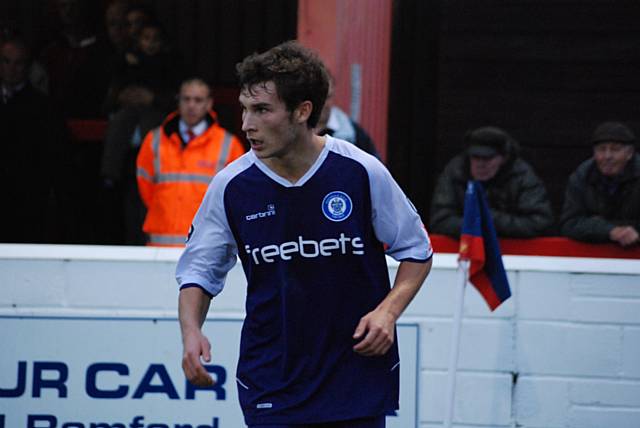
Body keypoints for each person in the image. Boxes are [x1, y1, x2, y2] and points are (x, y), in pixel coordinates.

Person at [176, 41, 433, 427]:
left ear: (302, 111)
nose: (247, 123)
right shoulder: (231, 186)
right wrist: (191, 331)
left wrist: (388, 312)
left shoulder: (361, 171)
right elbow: (199, 271)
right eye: (245, 109)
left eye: (262, 110)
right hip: (272, 379)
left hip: (354, 376)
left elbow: (417, 250)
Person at [136, 78, 245, 246]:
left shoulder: (228, 145)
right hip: (161, 242)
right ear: (178, 101)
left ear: (209, 104)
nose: (191, 105)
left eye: (198, 100)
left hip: (205, 245)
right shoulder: (155, 139)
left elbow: (235, 197)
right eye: (186, 99)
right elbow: (145, 188)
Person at [0, 37, 71, 243]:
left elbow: (55, 157)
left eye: (19, 62)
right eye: (6, 61)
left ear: (29, 66)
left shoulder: (43, 107)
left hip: (27, 199)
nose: (12, 68)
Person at [430, 126, 554, 238]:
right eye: (475, 157)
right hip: (465, 252)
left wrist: (491, 220)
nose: (480, 164)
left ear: (504, 158)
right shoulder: (455, 172)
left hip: (515, 255)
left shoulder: (522, 176)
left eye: (487, 158)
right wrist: (475, 223)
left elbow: (540, 223)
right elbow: (439, 220)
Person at [560, 121, 640, 247]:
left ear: (629, 153)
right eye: (601, 149)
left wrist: (633, 232)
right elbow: (569, 223)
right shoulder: (581, 177)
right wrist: (609, 230)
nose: (607, 156)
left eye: (615, 149)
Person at [315, 75, 379, 157]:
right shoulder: (296, 128)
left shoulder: (354, 133)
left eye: (327, 97)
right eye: (317, 97)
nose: (322, 103)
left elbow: (373, 165)